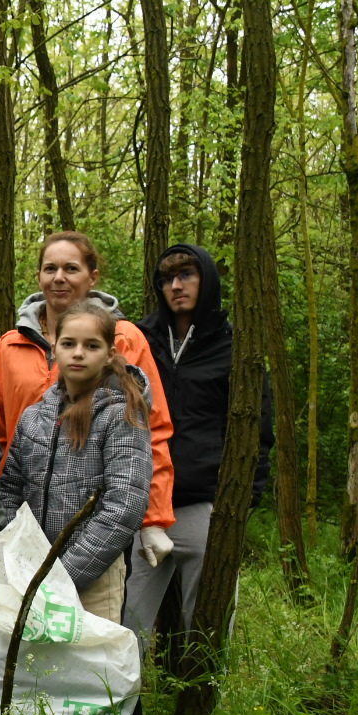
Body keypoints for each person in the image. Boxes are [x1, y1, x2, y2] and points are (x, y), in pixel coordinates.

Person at [0, 231, 176, 568]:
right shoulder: (6, 347)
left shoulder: (125, 337)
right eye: (50, 268)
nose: (59, 278)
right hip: (25, 522)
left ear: (92, 277)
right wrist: (2, 517)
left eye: (71, 268)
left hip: (98, 524)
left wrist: (154, 517)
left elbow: (154, 429)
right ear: (39, 276)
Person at [124, 244, 274, 648]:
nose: (176, 286)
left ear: (206, 280)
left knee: (208, 628)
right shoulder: (141, 340)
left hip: (205, 506)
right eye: (167, 279)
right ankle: (122, 709)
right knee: (126, 626)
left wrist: (241, 503)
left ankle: (203, 709)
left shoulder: (234, 347)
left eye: (187, 275)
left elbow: (259, 431)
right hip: (144, 506)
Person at [0, 300, 153, 622]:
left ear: (110, 353)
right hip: (30, 573)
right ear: (54, 348)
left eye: (91, 345)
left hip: (94, 580)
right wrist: (21, 557)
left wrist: (64, 575)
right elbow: (11, 487)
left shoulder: (122, 414)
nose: (78, 353)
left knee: (91, 670)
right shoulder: (34, 416)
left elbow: (125, 504)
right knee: (37, 669)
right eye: (69, 344)